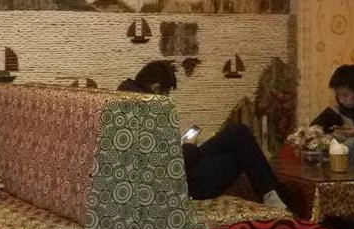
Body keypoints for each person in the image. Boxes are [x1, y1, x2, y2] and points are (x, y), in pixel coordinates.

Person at [118, 60, 288, 209]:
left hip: (172, 176)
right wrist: (188, 147)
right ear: (155, 89)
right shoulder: (143, 110)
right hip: (175, 188)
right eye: (166, 95)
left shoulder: (125, 102)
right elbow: (165, 167)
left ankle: (274, 195)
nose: (167, 101)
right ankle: (276, 197)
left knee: (237, 139)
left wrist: (182, 147)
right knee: (237, 149)